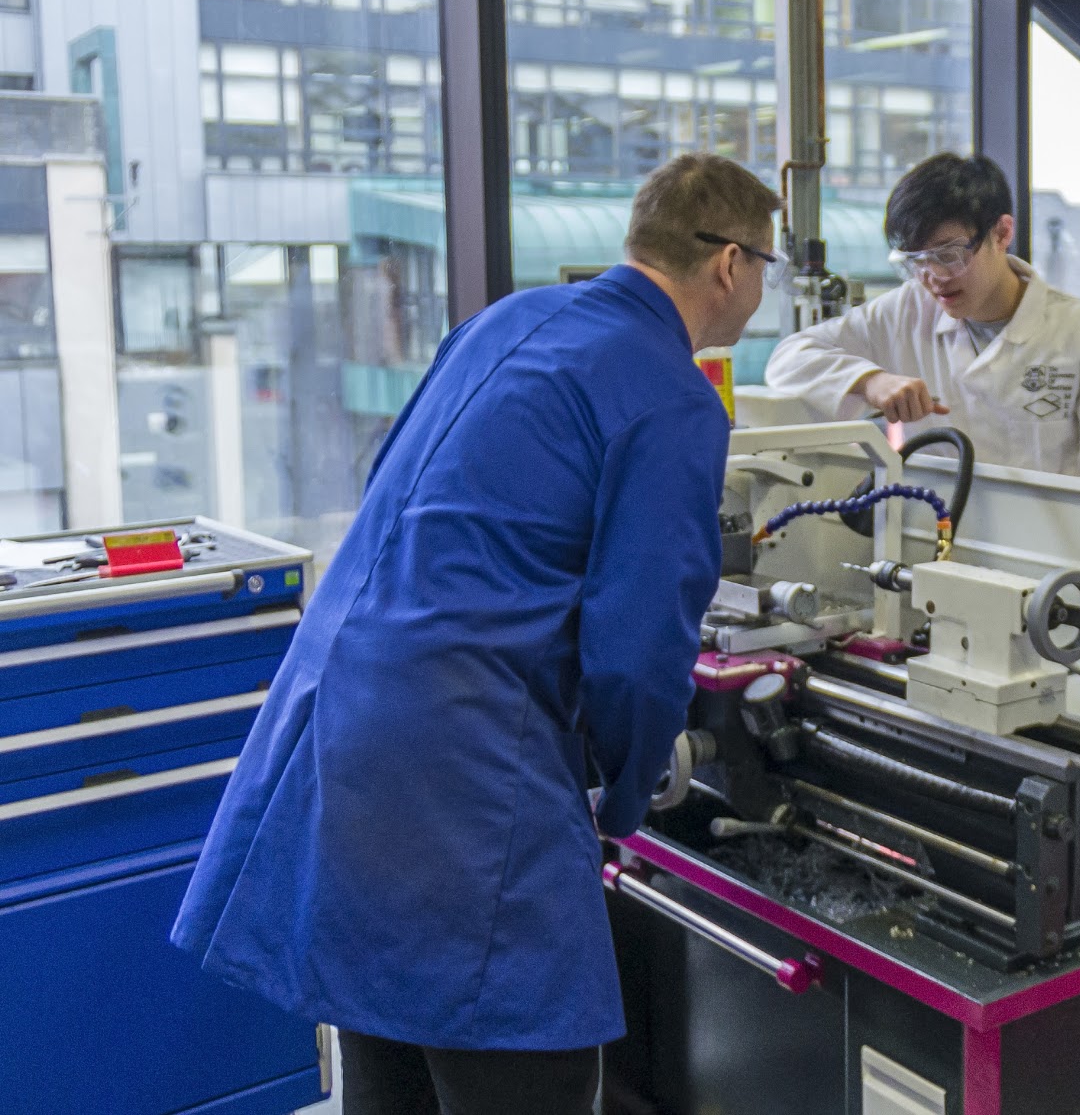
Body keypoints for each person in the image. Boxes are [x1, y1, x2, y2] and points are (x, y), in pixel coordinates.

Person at [172, 154, 785, 1115]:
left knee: (389, 1058)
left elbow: (400, 489)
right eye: (767, 270)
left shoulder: (502, 322)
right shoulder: (672, 395)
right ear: (730, 265)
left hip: (342, 719)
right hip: (467, 768)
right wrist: (625, 794)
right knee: (518, 1067)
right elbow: (637, 646)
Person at [763, 152, 1080, 481]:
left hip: (1055, 558)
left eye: (948, 254)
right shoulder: (906, 310)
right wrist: (870, 380)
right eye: (915, 261)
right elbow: (789, 359)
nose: (933, 277)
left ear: (1002, 234)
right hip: (934, 536)